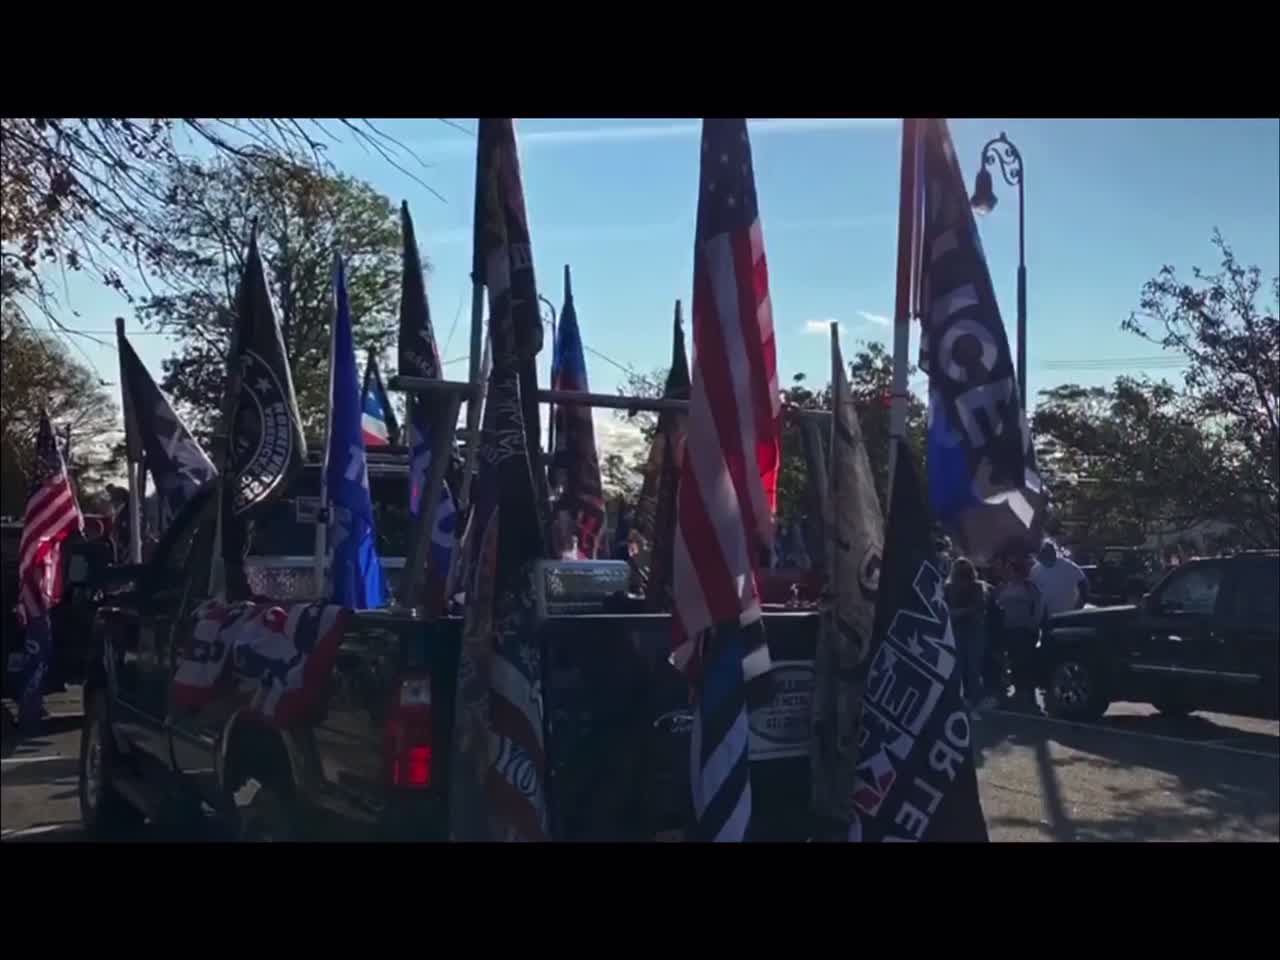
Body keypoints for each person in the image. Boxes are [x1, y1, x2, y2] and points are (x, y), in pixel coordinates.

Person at [995, 554, 1045, 712]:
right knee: (1014, 661)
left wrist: (1034, 623)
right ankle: (1018, 693)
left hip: (1025, 629)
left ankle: (1029, 695)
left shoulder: (1029, 587)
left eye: (1012, 570)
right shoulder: (1005, 587)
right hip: (1009, 629)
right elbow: (998, 604)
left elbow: (1039, 605)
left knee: (1026, 661)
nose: (1009, 572)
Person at [945, 558, 996, 712]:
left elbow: (978, 609)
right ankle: (960, 699)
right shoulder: (948, 588)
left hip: (974, 631)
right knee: (957, 666)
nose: (962, 577)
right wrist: (963, 612)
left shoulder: (978, 587)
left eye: (965, 573)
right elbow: (949, 612)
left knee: (973, 667)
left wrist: (960, 612)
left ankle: (975, 698)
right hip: (957, 631)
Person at [1030, 540, 1088, 615]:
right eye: (1041, 553)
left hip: (1069, 613)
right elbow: (1032, 591)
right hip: (1047, 615)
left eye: (1048, 552)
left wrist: (1080, 604)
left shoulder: (1068, 566)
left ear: (1053, 552)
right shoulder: (1035, 570)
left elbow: (1083, 583)